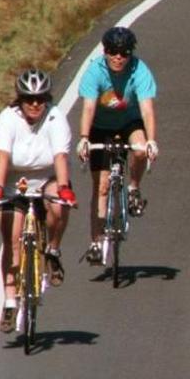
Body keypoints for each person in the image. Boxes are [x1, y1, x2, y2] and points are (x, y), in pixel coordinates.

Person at [0, 69, 77, 332]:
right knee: (12, 240)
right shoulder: (7, 119)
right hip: (15, 183)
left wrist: (65, 190)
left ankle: (53, 251)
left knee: (59, 205)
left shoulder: (56, 118)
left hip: (46, 178)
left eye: (40, 99)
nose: (35, 104)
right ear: (20, 100)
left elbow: (60, 157)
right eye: (29, 99)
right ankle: (11, 302)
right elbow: (2, 156)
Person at [75, 26, 158, 265]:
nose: (118, 57)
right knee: (101, 187)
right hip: (100, 127)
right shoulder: (94, 71)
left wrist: (152, 141)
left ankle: (133, 187)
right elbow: (89, 107)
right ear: (105, 52)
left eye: (124, 52)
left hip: (129, 122)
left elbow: (147, 109)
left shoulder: (139, 70)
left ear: (130, 53)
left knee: (140, 149)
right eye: (113, 52)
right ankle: (96, 242)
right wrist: (83, 138)